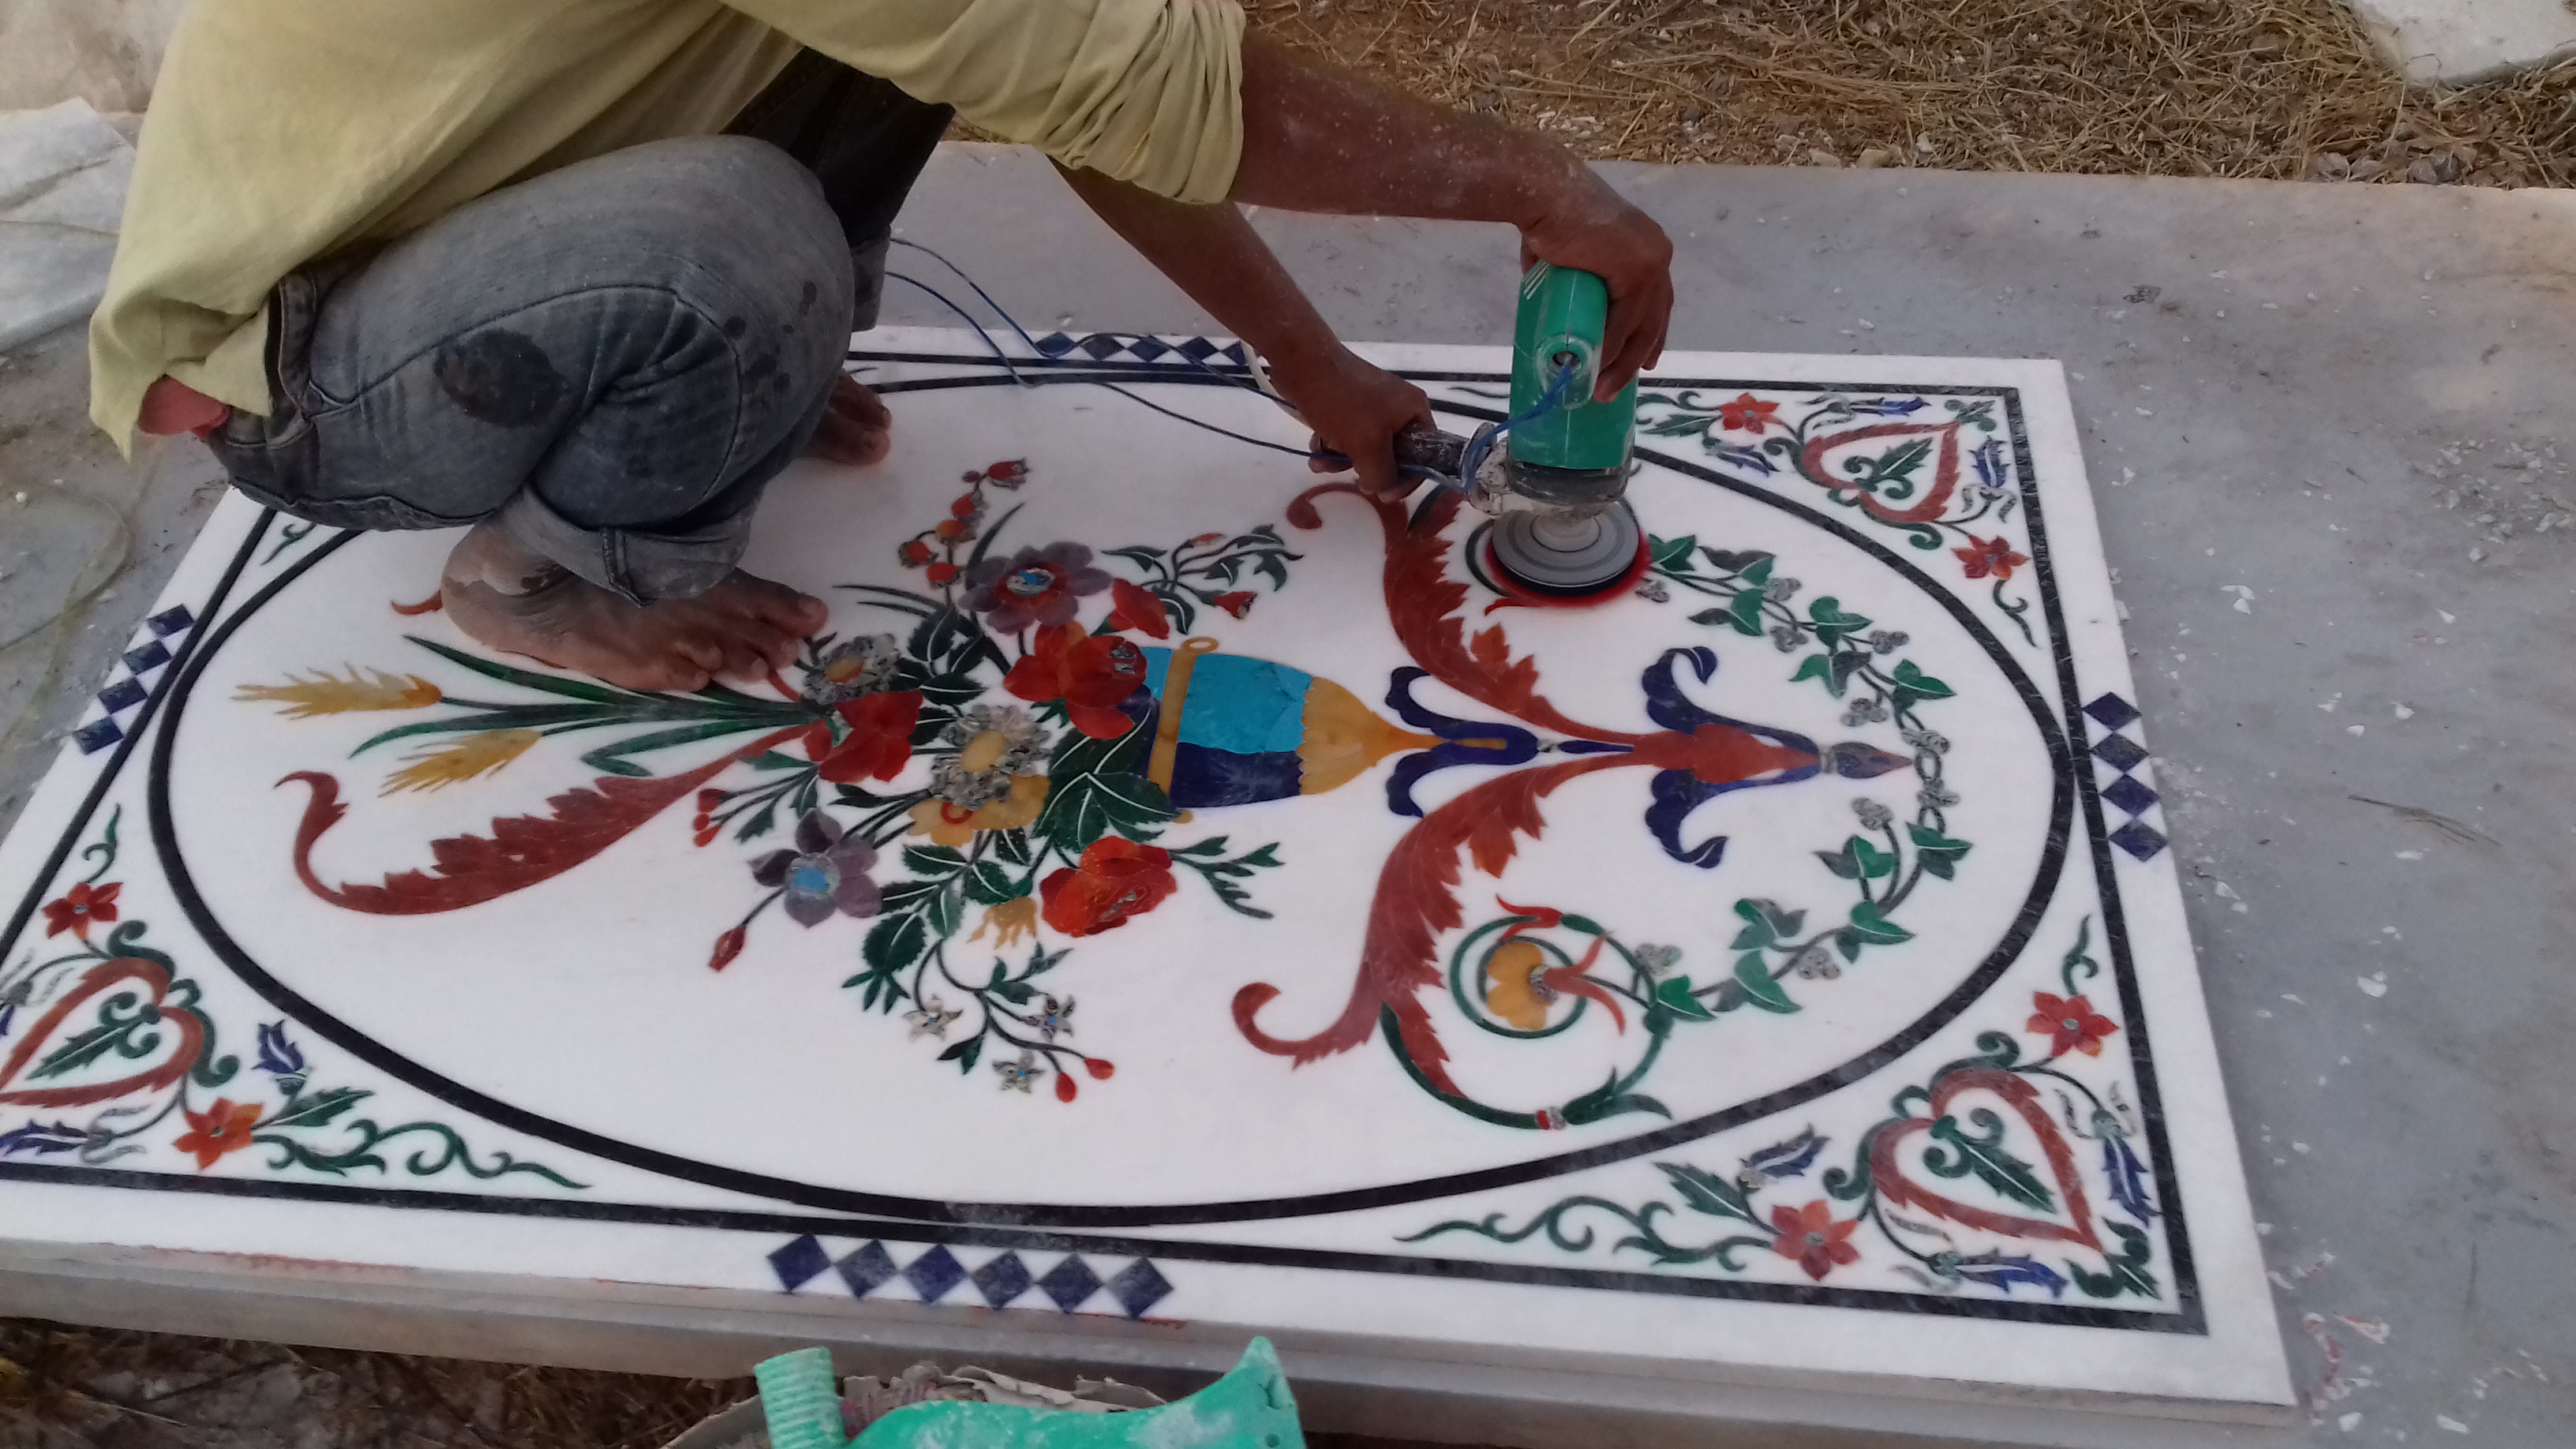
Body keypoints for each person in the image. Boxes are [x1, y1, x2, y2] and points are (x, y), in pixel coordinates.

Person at [95, 0, 1673, 692]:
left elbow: (1096, 70)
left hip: (455, 263)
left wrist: (1307, 362)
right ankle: (544, 575)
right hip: (298, 375)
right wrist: (1535, 188)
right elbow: (1171, 95)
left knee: (814, 161)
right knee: (742, 234)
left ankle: (669, 358)